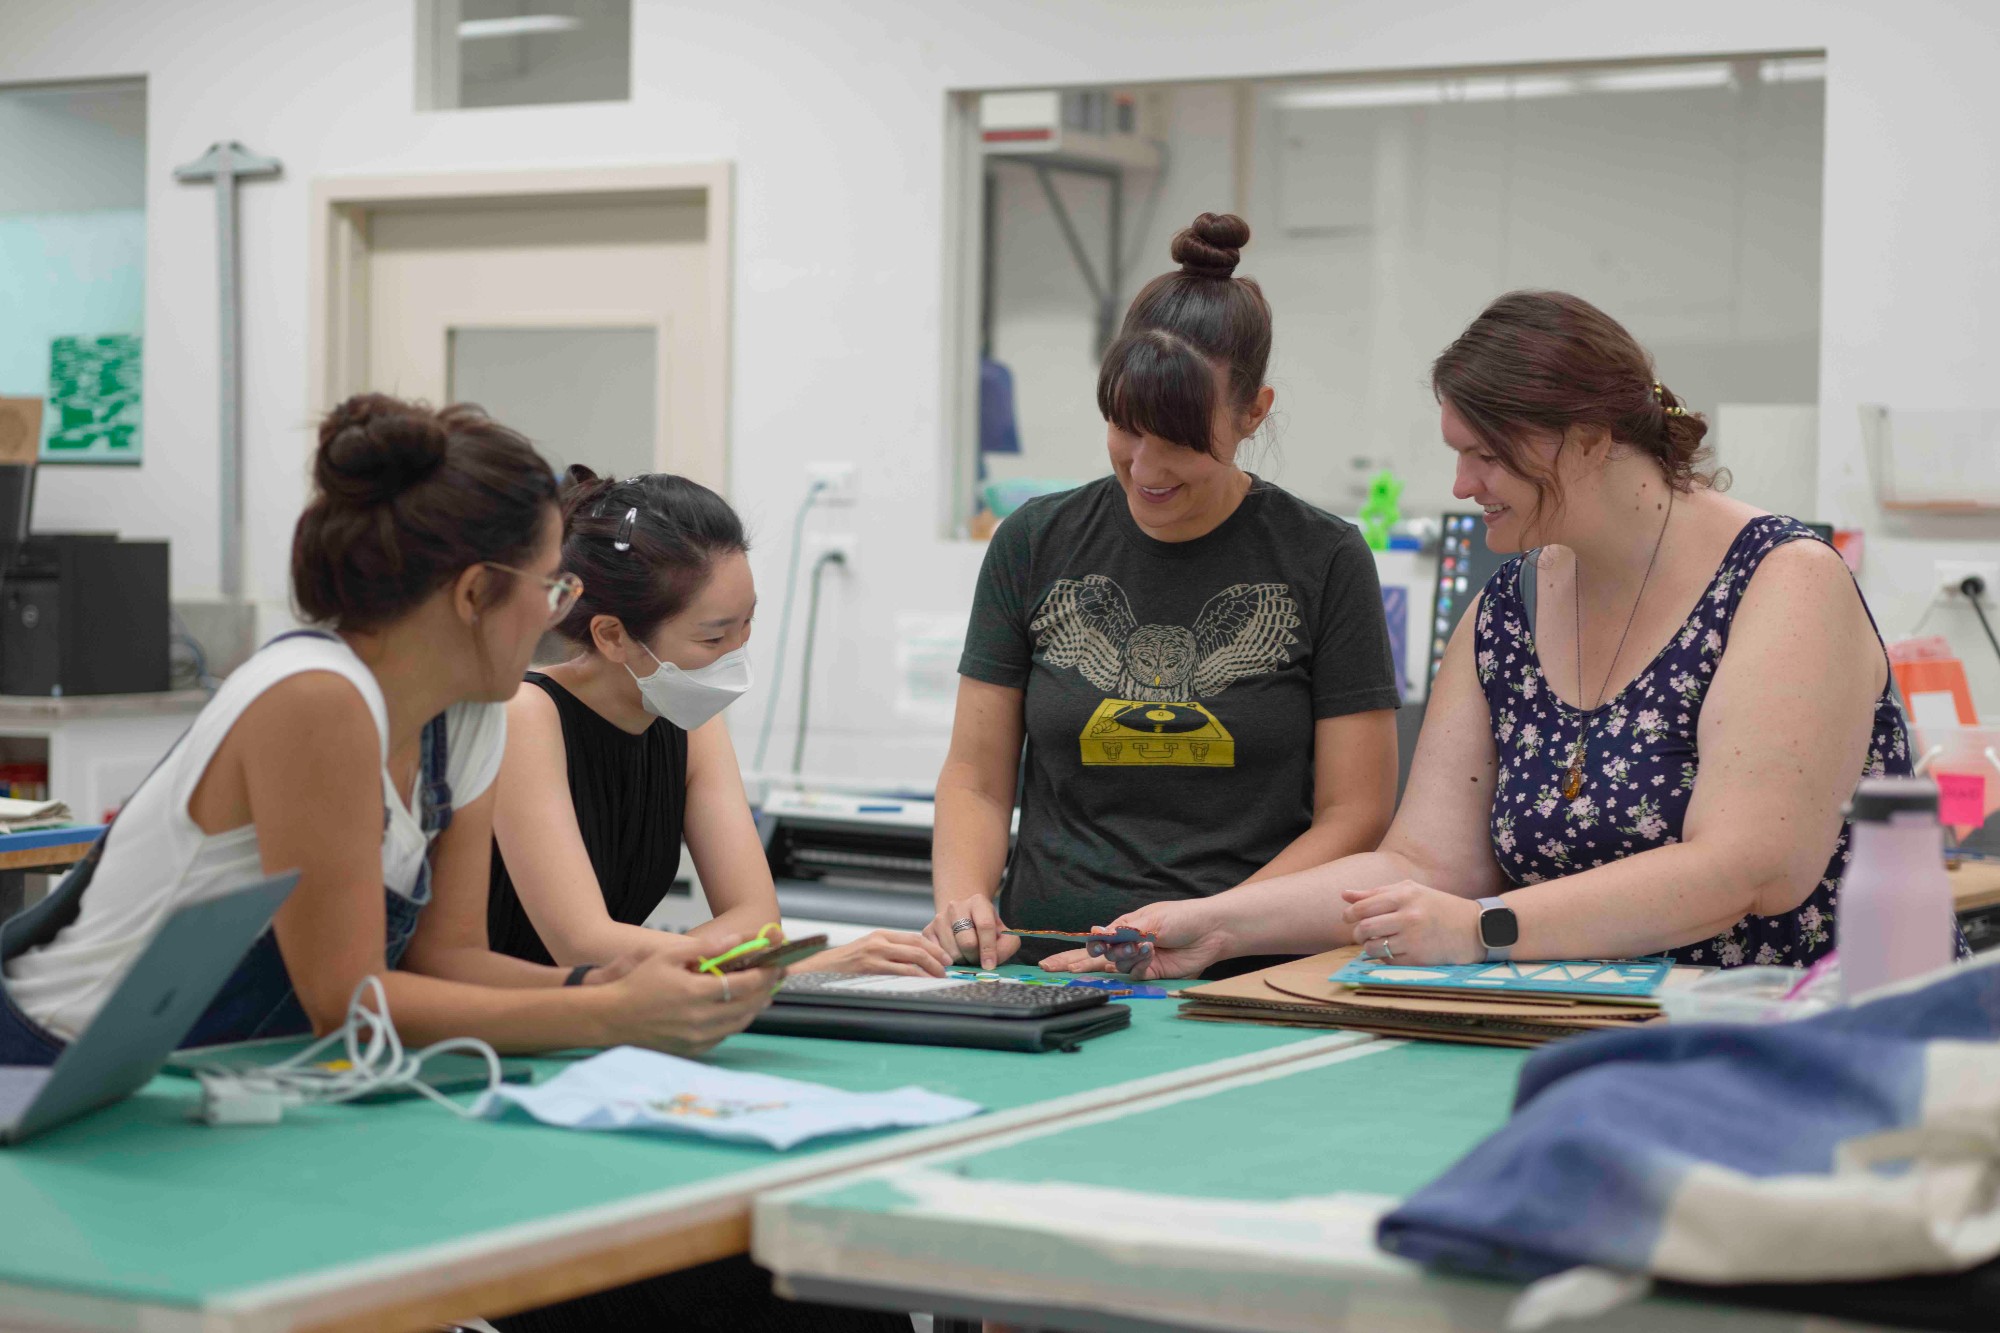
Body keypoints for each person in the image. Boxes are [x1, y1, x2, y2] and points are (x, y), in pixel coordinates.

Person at [1047, 290, 1968, 976]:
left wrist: (1485, 928)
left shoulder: (1782, 580)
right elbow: (1423, 863)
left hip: (1798, 1034)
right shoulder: (1506, 616)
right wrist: (1214, 925)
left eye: (1484, 455)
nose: (1461, 485)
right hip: (1580, 1030)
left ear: (1590, 439)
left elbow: (1744, 870)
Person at [0, 394, 778, 1065]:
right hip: (59, 1058)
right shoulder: (317, 697)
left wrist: (601, 988)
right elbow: (348, 997)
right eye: (550, 586)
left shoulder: (469, 717)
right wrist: (604, 1013)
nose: (557, 613)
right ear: (474, 593)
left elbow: (451, 958)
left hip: (209, 1067)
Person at [924, 212, 1402, 974]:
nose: (1145, 466)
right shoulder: (1035, 541)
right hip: (1046, 963)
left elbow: (1357, 814)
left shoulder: (1323, 557)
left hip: (1242, 969)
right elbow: (977, 779)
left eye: (1179, 440)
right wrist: (963, 902)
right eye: (1125, 426)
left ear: (1254, 413)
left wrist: (1210, 927)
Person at [487, 465, 954, 977]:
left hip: (614, 1015)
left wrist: (740, 960)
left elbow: (757, 922)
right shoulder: (527, 716)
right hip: (501, 1027)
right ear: (612, 636)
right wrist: (801, 965)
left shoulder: (687, 721)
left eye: (747, 622)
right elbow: (584, 945)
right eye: (713, 638)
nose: (737, 653)